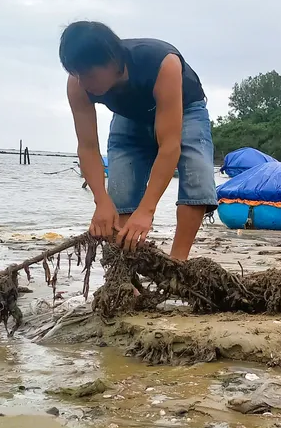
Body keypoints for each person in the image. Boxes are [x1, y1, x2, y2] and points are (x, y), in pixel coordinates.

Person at [59, 21, 217, 260]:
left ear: (112, 61)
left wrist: (146, 211)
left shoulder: (162, 63)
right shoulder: (78, 85)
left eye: (88, 74)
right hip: (129, 115)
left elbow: (169, 146)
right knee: (120, 194)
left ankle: (178, 263)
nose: (82, 82)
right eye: (76, 73)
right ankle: (128, 267)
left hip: (185, 108)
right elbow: (88, 147)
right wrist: (101, 201)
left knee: (198, 176)